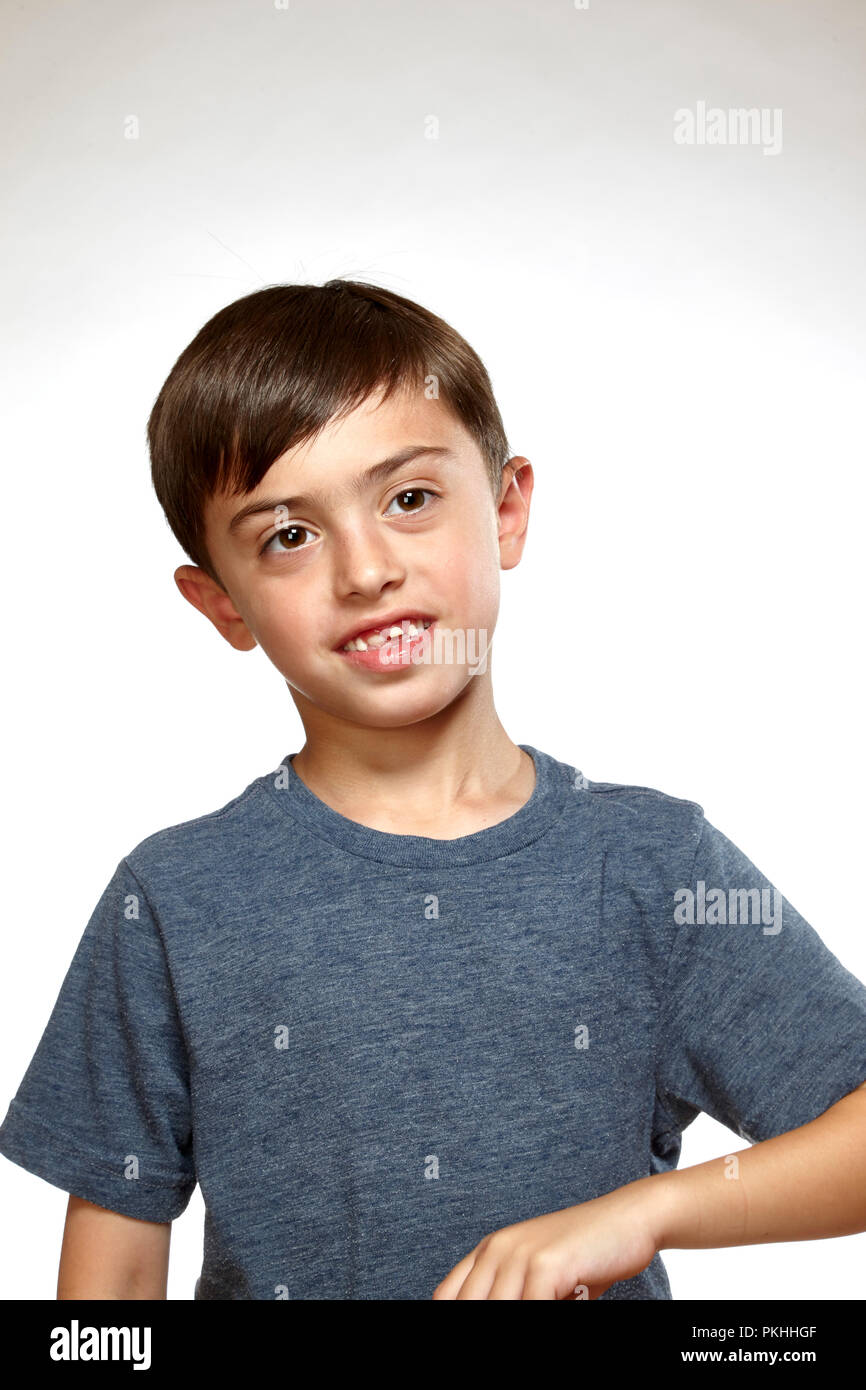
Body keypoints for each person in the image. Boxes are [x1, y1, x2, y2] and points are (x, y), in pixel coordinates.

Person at [2, 279, 866, 1301]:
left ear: (505, 509)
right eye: (288, 534)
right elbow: (104, 1302)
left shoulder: (652, 867)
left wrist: (637, 1214)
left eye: (408, 498)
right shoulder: (174, 897)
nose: (365, 570)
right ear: (220, 603)